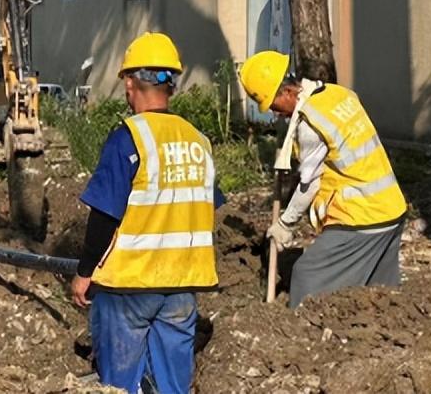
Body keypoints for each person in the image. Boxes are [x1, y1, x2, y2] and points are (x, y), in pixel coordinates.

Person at [70, 33, 221, 394]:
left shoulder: (128, 137)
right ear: (172, 84)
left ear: (129, 82)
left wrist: (84, 273)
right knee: (173, 386)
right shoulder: (199, 140)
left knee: (119, 383)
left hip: (129, 285)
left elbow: (105, 216)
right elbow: (204, 206)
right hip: (183, 285)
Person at [239, 50, 408, 308]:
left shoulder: (310, 122)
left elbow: (310, 183)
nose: (275, 114)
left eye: (272, 106)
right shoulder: (337, 94)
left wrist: (285, 224)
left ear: (286, 92)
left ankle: (303, 337)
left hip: (362, 217)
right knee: (379, 297)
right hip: (391, 208)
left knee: (307, 277)